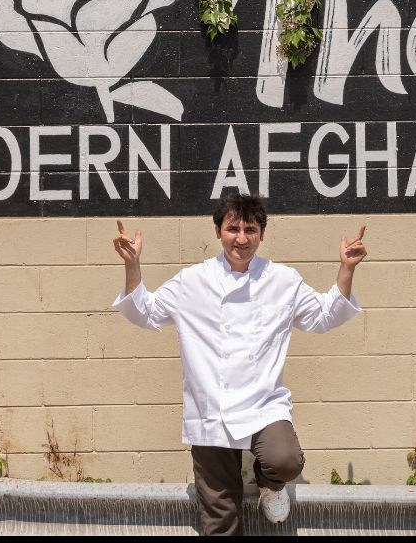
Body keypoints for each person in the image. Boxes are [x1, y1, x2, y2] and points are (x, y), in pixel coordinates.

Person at [111, 192, 367, 536]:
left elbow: (324, 315)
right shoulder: (192, 281)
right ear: (218, 231)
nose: (242, 239)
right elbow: (145, 311)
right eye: (233, 229)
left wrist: (346, 269)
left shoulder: (283, 280)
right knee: (220, 517)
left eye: (251, 229)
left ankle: (269, 484)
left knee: (284, 460)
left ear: (262, 233)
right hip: (210, 409)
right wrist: (132, 264)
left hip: (263, 405)